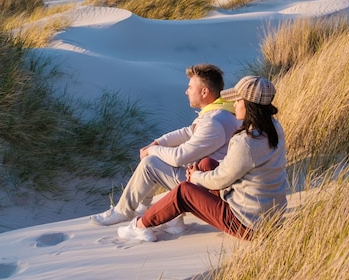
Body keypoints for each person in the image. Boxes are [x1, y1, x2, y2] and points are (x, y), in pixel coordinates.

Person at [116, 75, 287, 242]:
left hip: (248, 224)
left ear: (249, 105)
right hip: (269, 216)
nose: (234, 104)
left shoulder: (246, 141)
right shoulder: (273, 128)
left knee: (184, 191)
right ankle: (172, 220)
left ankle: (140, 225)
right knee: (206, 164)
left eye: (238, 100)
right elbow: (237, 168)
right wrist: (200, 171)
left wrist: (195, 177)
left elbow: (220, 180)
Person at [90, 64, 241, 234]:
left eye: (190, 87)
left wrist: (152, 151)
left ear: (204, 92)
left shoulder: (214, 122)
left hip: (208, 186)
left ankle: (123, 211)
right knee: (159, 157)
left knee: (151, 164)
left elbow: (179, 157)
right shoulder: (221, 112)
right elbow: (187, 131)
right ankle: (160, 215)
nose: (186, 91)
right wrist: (156, 143)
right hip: (210, 177)